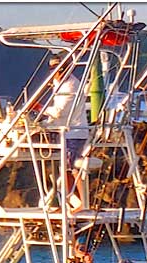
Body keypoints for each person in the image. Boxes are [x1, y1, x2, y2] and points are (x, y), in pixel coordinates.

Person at [43, 54, 90, 212]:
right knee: (64, 168)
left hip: (75, 132)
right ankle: (67, 202)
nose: (57, 73)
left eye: (60, 70)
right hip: (66, 131)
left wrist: (39, 108)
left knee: (71, 168)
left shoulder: (71, 86)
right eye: (55, 70)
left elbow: (60, 111)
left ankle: (82, 204)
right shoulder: (59, 83)